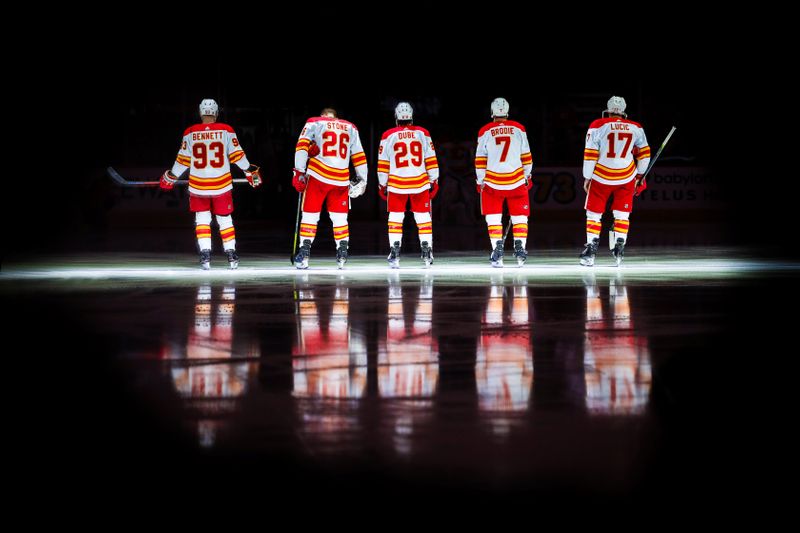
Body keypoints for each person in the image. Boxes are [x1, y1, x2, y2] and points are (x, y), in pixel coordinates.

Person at [160, 98, 261, 270]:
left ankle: (205, 256)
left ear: (200, 112)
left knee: (202, 220)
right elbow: (238, 156)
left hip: (199, 186)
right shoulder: (226, 130)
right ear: (216, 113)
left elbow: (183, 160)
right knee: (225, 220)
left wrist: (171, 177)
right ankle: (231, 254)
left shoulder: (190, 132)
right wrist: (250, 172)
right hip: (221, 184)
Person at [292, 108, 368, 269]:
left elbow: (301, 146)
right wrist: (363, 180)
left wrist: (298, 171)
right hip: (340, 179)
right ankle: (342, 251)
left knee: (310, 216)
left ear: (322, 116)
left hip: (318, 176)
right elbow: (359, 155)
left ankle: (304, 252)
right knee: (340, 218)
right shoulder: (350, 127)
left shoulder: (315, 122)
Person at [580, 96, 651, 266]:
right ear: (623, 110)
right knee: (622, 214)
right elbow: (645, 153)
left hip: (601, 176)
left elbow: (590, 154)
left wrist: (587, 177)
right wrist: (640, 175)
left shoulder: (597, 125)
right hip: (626, 176)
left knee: (594, 214)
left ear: (608, 109)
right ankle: (619, 247)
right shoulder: (636, 127)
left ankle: (591, 250)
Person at [377, 102, 439, 268]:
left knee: (395, 218)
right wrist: (434, 179)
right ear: (411, 117)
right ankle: (427, 251)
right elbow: (431, 158)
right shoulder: (422, 133)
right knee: (423, 217)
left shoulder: (387, 135)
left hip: (397, 183)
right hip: (420, 181)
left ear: (396, 117)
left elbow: (383, 163)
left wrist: (382, 184)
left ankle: (395, 251)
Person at [475, 97, 533, 267]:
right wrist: (526, 176)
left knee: (493, 219)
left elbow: (480, 160)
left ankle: (497, 249)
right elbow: (527, 157)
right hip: (516, 181)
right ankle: (520, 249)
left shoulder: (484, 131)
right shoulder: (519, 129)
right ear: (507, 112)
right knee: (520, 218)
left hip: (493, 182)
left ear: (492, 112)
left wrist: (481, 181)